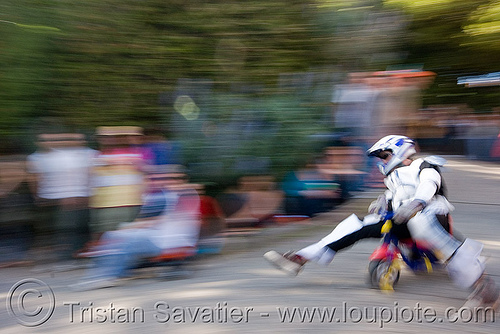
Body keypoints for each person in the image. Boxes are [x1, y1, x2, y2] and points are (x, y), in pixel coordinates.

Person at [264, 135, 499, 308]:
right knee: (357, 224)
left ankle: (482, 286)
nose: (381, 161)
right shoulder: (392, 180)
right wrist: (383, 203)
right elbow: (392, 199)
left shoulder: (423, 165)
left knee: (422, 223)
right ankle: (301, 257)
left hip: (432, 217)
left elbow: (430, 184)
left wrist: (417, 202)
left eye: (384, 155)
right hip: (401, 221)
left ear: (400, 151)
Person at [71, 166, 200, 291]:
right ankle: (108, 273)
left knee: (116, 238)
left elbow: (153, 221)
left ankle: (105, 275)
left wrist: (127, 228)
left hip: (165, 241)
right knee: (118, 238)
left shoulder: (163, 196)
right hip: (173, 238)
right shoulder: (179, 194)